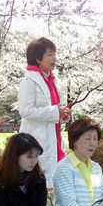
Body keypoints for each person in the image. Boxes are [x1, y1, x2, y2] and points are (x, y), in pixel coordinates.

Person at [17, 37, 71, 186]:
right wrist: (55, 112)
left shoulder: (53, 80)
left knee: (59, 181)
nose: (54, 58)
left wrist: (62, 113)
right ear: (37, 58)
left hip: (55, 137)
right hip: (37, 139)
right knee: (36, 184)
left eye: (54, 53)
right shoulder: (28, 81)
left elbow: (54, 109)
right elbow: (26, 111)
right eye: (50, 54)